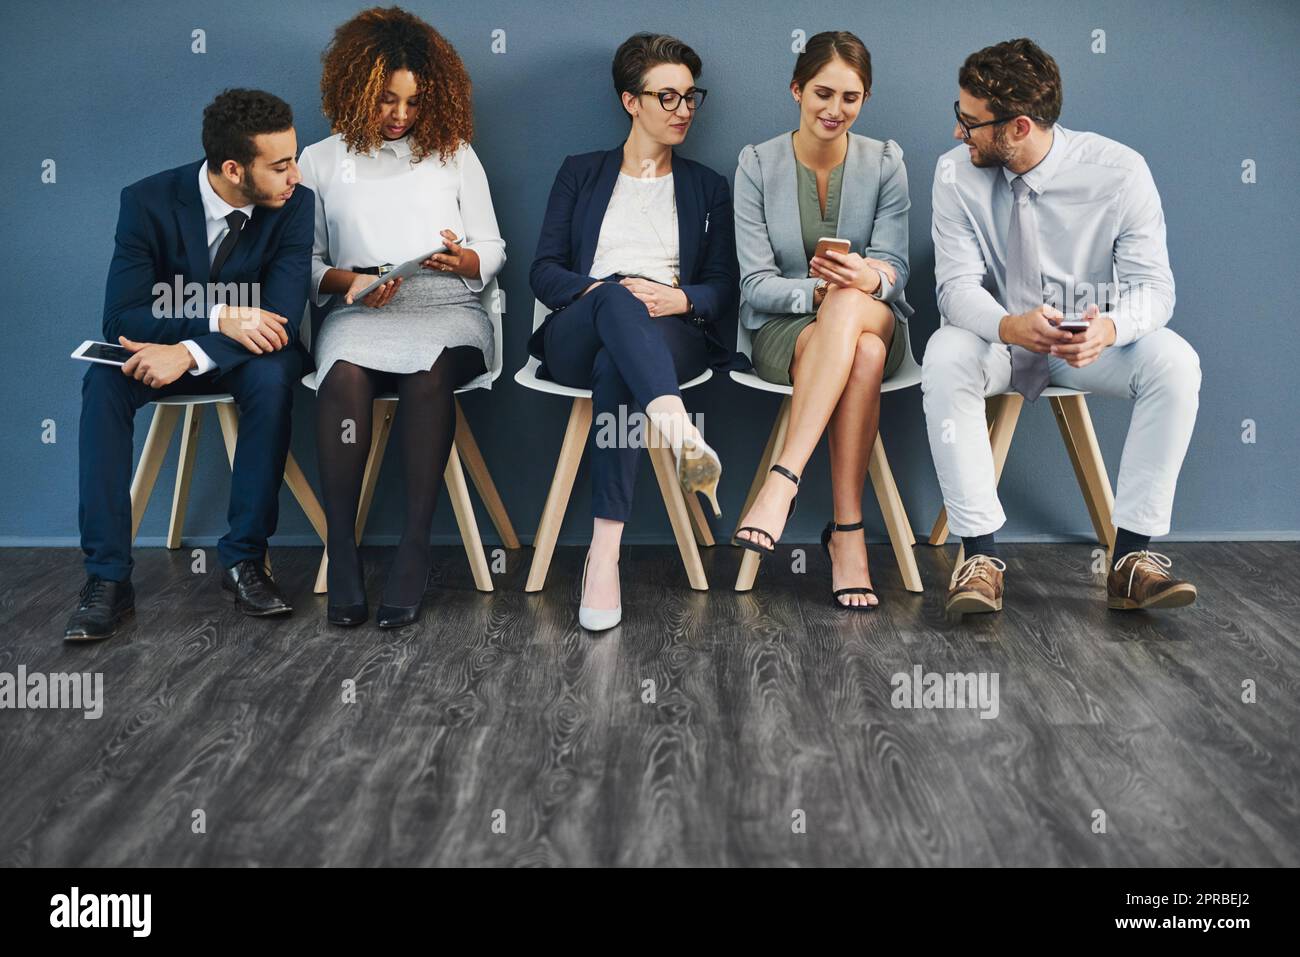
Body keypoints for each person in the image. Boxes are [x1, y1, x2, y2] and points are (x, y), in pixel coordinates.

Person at [924, 38, 1201, 615]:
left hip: (1085, 346)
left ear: (1019, 126)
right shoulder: (954, 175)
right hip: (997, 339)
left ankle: (1131, 559)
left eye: (970, 122)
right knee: (946, 352)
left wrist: (1113, 328)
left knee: (1175, 362)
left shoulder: (1121, 173)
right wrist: (1008, 324)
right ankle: (978, 557)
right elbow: (954, 289)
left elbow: (1155, 288)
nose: (958, 133)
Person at [65, 89, 312, 641]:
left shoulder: (297, 204)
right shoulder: (147, 200)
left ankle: (246, 560)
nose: (295, 173)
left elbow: (279, 321)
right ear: (233, 169)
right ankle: (107, 579)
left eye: (294, 157)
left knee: (275, 376)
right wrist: (218, 316)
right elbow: (124, 316)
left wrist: (189, 352)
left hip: (250, 357)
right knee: (101, 383)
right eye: (280, 164)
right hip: (174, 343)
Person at [299, 6, 504, 629]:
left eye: (414, 103)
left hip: (446, 307)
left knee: (429, 373)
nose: (400, 115)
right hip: (360, 312)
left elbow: (494, 249)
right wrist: (352, 281)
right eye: (387, 100)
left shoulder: (454, 153)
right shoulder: (319, 161)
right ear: (354, 89)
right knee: (342, 379)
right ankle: (343, 548)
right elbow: (303, 264)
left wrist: (460, 256)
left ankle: (414, 546)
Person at [529, 32, 741, 632]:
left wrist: (677, 298)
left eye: (689, 97)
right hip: (579, 326)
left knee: (616, 369)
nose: (683, 111)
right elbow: (542, 272)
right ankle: (677, 428)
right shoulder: (581, 173)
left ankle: (605, 556)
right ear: (631, 101)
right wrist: (602, 294)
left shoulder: (706, 186)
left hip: (667, 331)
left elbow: (723, 285)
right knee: (616, 300)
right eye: (666, 98)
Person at [732, 31, 914, 610]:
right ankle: (849, 536)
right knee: (864, 353)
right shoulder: (756, 165)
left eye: (851, 97)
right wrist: (820, 293)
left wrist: (867, 278)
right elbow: (755, 285)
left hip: (875, 313)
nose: (835, 110)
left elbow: (896, 269)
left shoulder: (885, 162)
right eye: (822, 93)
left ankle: (783, 480)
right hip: (786, 331)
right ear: (796, 90)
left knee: (855, 310)